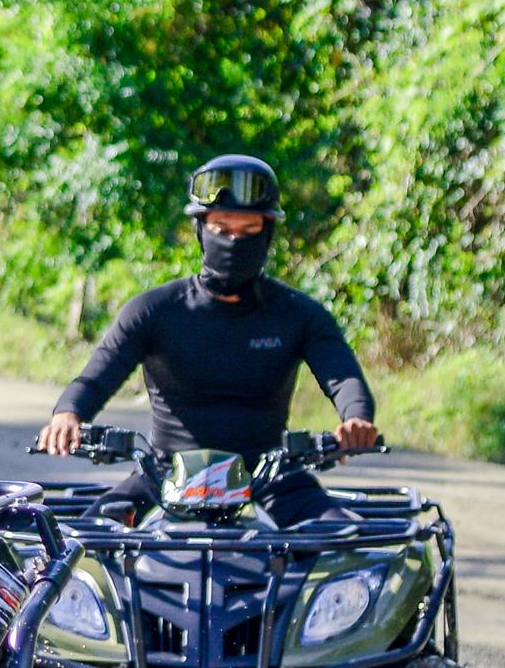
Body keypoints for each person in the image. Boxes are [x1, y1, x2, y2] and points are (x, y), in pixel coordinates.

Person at [34, 155, 380, 480]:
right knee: (80, 538)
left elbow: (344, 378)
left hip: (271, 480)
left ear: (268, 233)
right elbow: (98, 375)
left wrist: (356, 421)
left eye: (248, 230)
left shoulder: (298, 315)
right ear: (201, 229)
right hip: (166, 477)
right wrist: (69, 414)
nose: (233, 241)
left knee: (339, 538)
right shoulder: (154, 310)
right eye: (221, 228)